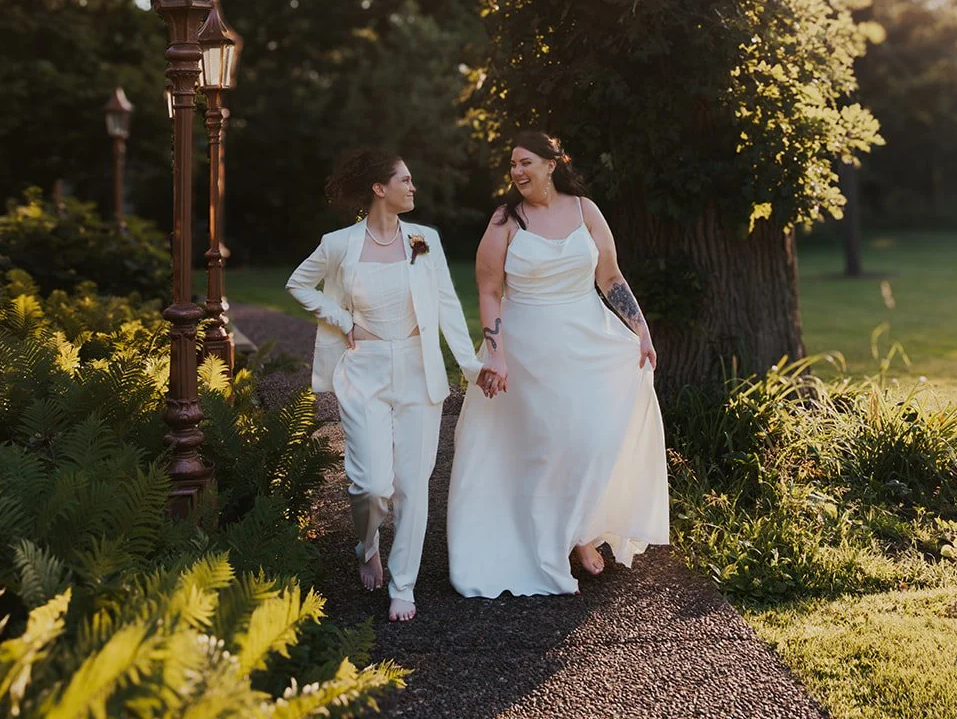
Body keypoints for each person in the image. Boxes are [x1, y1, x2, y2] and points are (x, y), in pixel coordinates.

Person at [447, 130, 669, 597]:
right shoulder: (505, 221)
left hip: (588, 342)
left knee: (592, 436)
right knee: (547, 445)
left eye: (526, 162)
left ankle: (581, 529)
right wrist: (497, 353)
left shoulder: (586, 210)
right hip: (528, 348)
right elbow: (488, 292)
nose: (518, 172)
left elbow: (610, 277)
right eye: (513, 165)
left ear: (552, 164)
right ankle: (564, 538)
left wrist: (641, 330)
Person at [286, 147, 496, 621]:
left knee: (412, 486)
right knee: (370, 484)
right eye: (404, 180)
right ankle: (367, 545)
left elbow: (445, 304)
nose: (412, 187)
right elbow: (298, 284)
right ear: (379, 189)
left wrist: (471, 365)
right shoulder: (339, 243)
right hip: (364, 370)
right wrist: (341, 319)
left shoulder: (422, 240)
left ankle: (404, 583)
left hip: (419, 372)